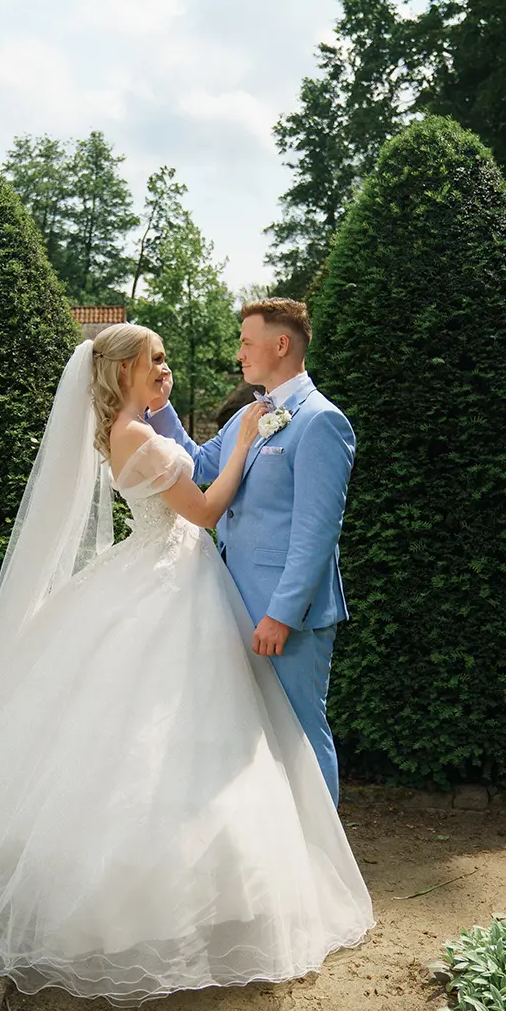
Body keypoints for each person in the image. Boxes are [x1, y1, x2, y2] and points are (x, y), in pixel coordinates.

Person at [0, 325, 372, 1005]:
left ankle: (278, 872)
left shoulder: (136, 427)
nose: (166, 367)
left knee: (211, 735)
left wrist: (174, 412)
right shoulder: (137, 436)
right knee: (170, 739)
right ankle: (172, 896)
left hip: (176, 577)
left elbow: (191, 465)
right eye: (156, 360)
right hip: (176, 581)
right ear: (125, 368)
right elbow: (202, 508)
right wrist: (243, 445)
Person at [147, 299, 353, 806]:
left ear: (280, 344)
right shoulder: (248, 413)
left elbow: (316, 532)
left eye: (245, 342)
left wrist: (282, 614)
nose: (238, 352)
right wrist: (160, 408)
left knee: (300, 733)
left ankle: (323, 849)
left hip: (285, 615)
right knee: (248, 740)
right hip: (232, 602)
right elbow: (198, 467)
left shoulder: (322, 421)